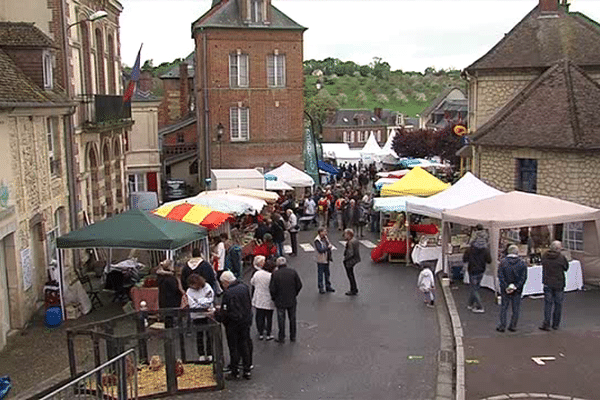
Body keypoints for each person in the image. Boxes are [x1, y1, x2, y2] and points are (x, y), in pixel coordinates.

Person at [214, 271, 253, 380]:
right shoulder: (244, 287)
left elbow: (226, 311)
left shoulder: (228, 293)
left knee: (234, 347)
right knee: (244, 345)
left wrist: (217, 314)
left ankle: (234, 371)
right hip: (245, 321)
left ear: (226, 282)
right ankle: (247, 369)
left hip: (233, 324)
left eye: (222, 283)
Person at [269, 257, 303, 343]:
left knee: (281, 319)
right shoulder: (293, 272)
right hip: (291, 299)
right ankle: (293, 336)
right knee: (292, 318)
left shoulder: (275, 274)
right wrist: (294, 294)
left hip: (280, 300)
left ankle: (281, 337)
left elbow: (272, 289)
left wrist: (274, 298)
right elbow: (299, 285)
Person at [496, 244, 528, 332]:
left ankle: (502, 325)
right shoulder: (522, 263)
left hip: (505, 289)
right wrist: (517, 286)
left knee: (504, 307)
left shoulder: (503, 262)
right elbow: (523, 277)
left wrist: (506, 286)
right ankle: (513, 326)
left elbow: (500, 276)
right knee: (516, 308)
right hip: (517, 289)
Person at [539, 240, 570, 331]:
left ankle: (546, 323)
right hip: (559, 283)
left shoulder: (544, 256)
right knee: (558, 304)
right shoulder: (561, 257)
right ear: (558, 248)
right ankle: (556, 324)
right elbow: (566, 268)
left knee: (548, 304)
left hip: (547, 282)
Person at [463, 224, 492, 313]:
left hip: (472, 269)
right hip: (481, 269)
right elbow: (489, 260)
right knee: (476, 287)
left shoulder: (470, 248)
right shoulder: (486, 249)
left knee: (474, 288)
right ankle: (470, 303)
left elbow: (465, 258)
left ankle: (480, 306)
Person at [186, 274, 215, 362]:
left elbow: (209, 300)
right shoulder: (189, 291)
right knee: (199, 336)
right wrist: (202, 302)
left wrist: (198, 301)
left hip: (208, 315)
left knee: (209, 335)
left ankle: (210, 353)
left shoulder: (207, 287)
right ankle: (201, 354)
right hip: (196, 316)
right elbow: (192, 305)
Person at [250, 259, 276, 340]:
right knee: (269, 317)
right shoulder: (271, 276)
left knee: (259, 316)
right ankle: (268, 333)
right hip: (268, 299)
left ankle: (260, 333)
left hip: (258, 298)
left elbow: (252, 282)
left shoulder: (257, 274)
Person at [156, 259, 184, 327]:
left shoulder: (160, 277)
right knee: (172, 320)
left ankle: (167, 333)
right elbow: (176, 289)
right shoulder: (171, 278)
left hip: (163, 301)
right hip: (172, 302)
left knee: (167, 319)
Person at [314, 227, 335, 294]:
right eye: (324, 231)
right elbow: (320, 250)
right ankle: (321, 287)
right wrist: (327, 248)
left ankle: (328, 286)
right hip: (321, 259)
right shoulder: (317, 240)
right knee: (320, 274)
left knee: (327, 274)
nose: (325, 233)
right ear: (320, 232)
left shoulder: (325, 238)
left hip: (326, 259)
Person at [343, 228, 361, 296]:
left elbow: (350, 253)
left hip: (350, 261)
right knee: (351, 275)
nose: (344, 236)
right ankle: (354, 288)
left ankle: (353, 289)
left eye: (345, 234)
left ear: (349, 234)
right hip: (355, 259)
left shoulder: (350, 242)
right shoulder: (355, 240)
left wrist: (345, 259)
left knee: (350, 275)